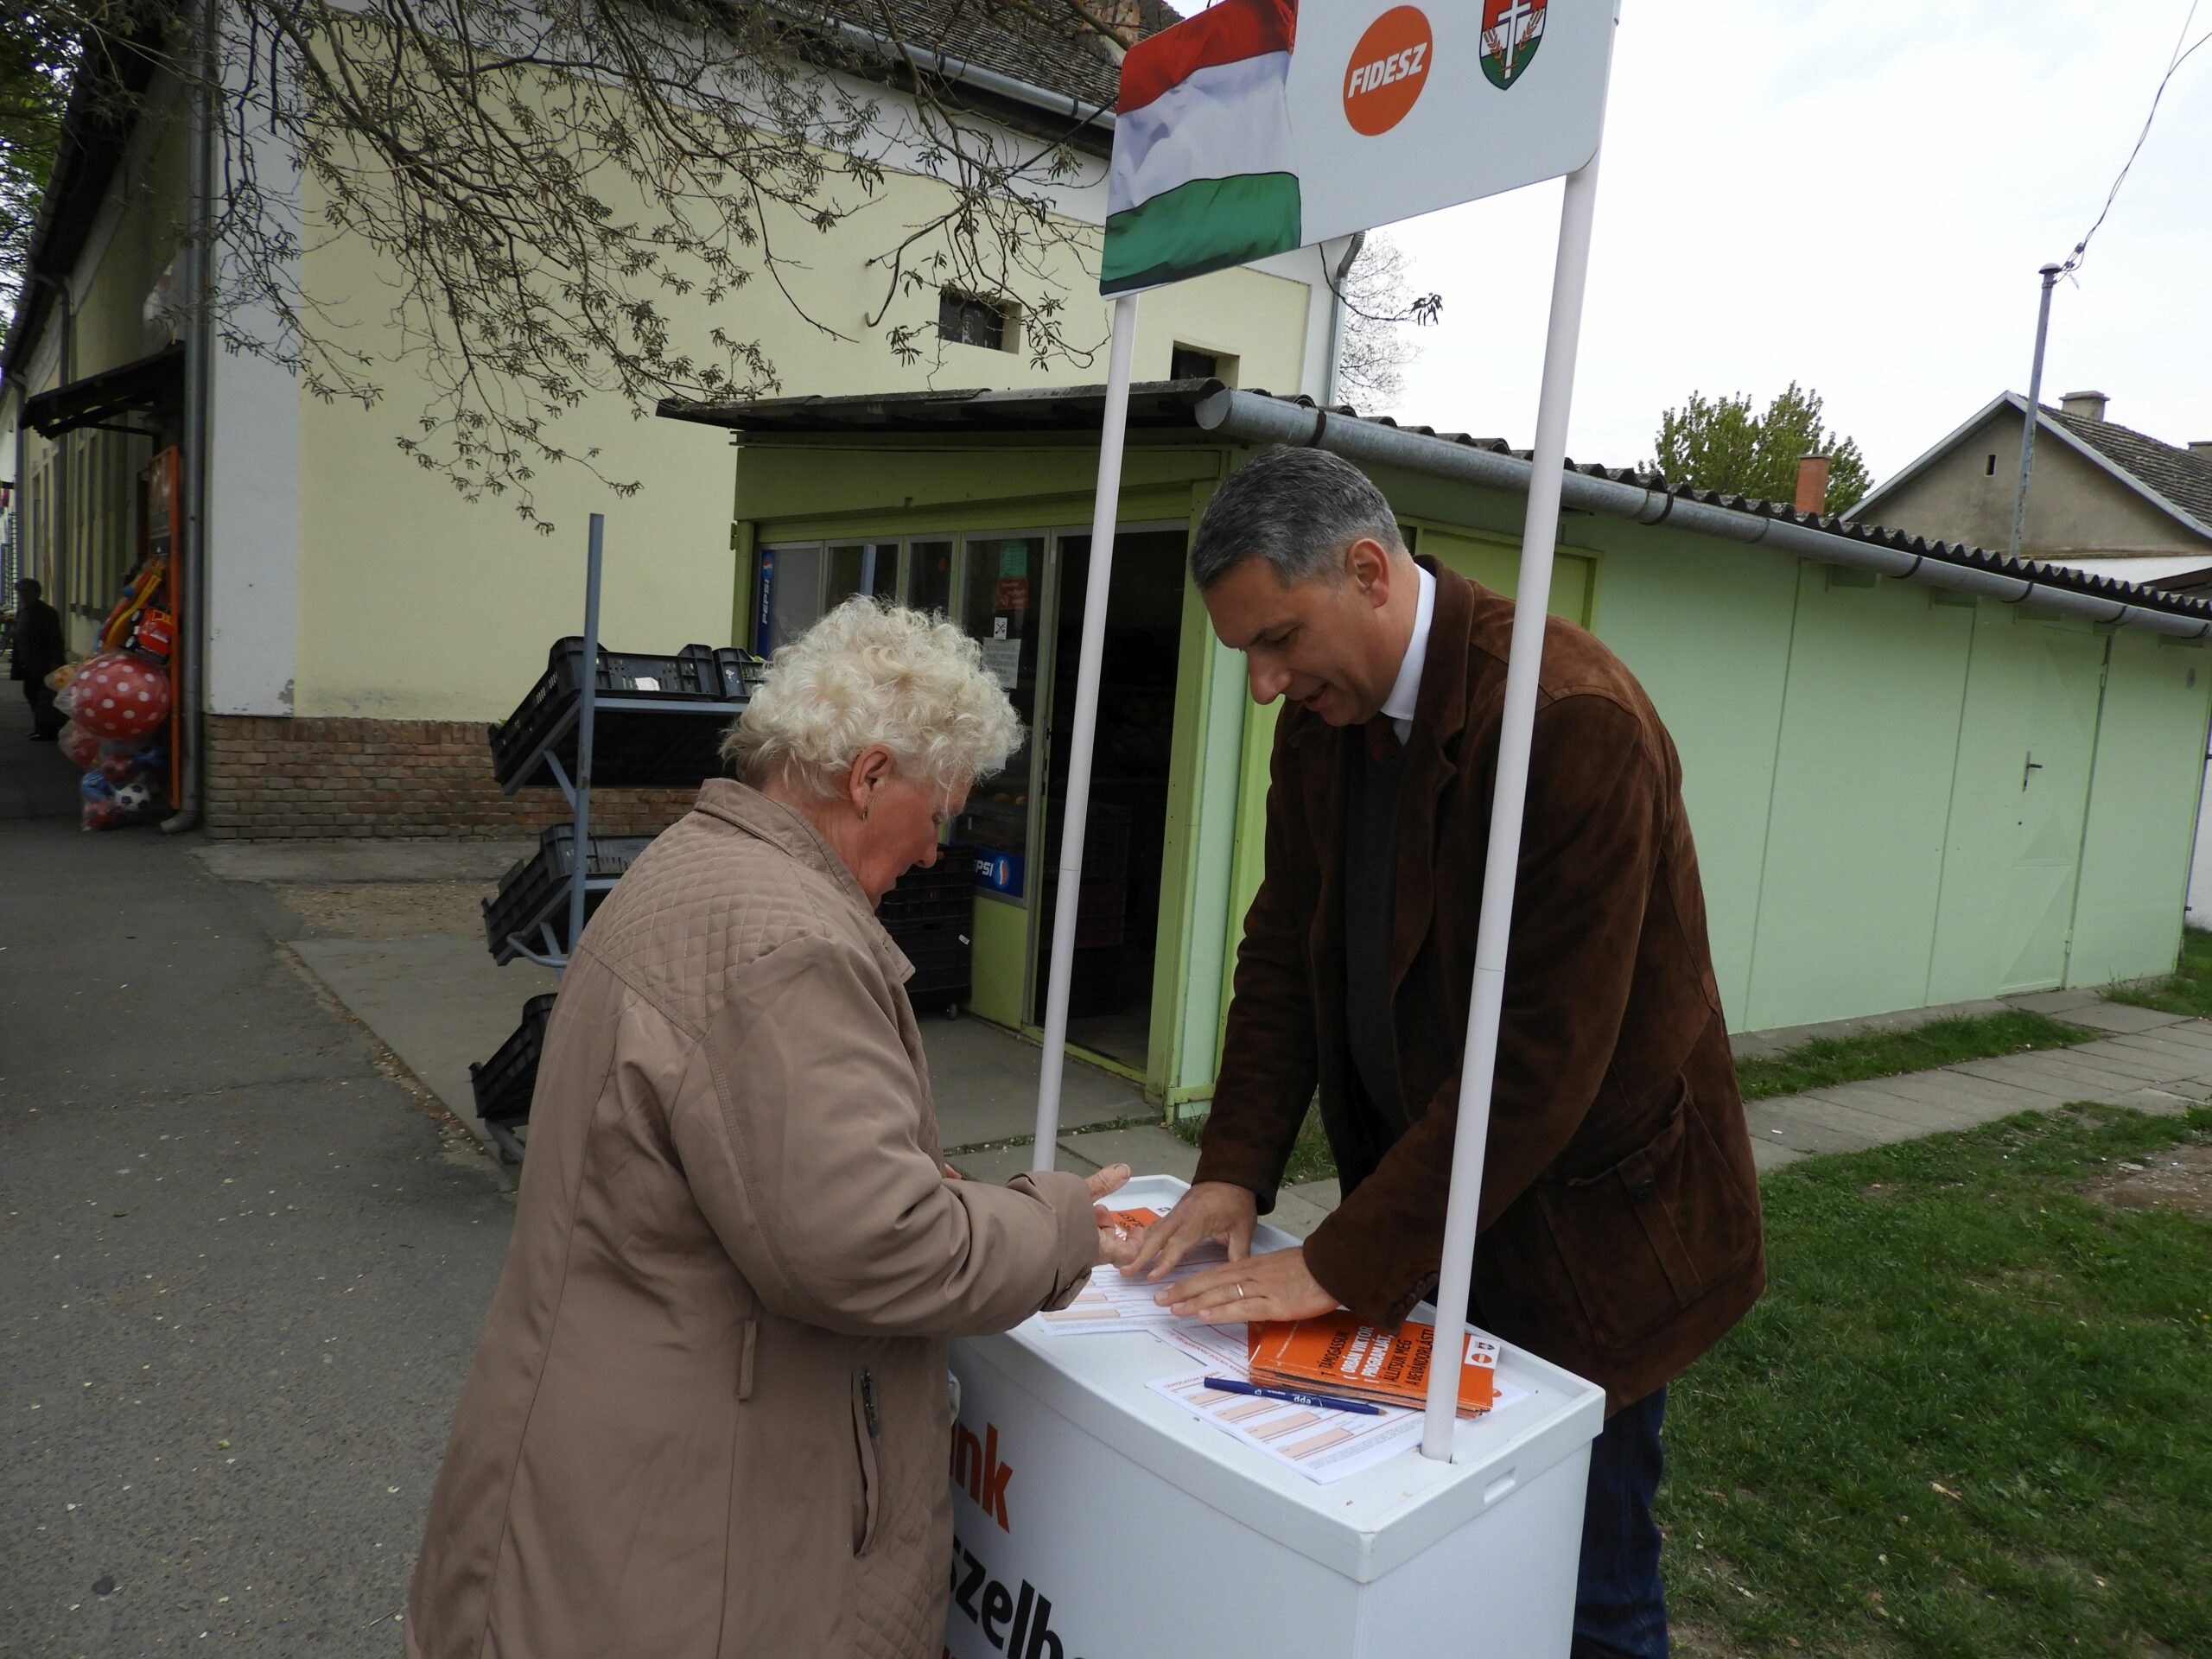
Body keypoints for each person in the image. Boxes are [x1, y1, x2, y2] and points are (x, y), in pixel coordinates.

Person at [407, 600, 1135, 1659]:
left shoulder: (692, 865)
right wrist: (1055, 1225)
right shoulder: (787, 940)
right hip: (688, 1527)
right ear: (870, 776)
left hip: (605, 1461)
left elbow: (771, 1167)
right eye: (941, 812)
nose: (938, 851)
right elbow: (869, 1244)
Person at [1128, 447, 1764, 1659]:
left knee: (1589, 1582)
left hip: (1590, 1247)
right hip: (1441, 1220)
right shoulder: (1328, 717)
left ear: (1369, 571)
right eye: (1247, 656)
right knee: (1457, 1573)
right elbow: (1283, 953)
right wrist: (1234, 1168)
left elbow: (1545, 1060)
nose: (1263, 686)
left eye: (1276, 641)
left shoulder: (1571, 720)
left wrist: (1343, 1257)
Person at [10, 577, 67, 739]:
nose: (23, 595)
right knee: (31, 694)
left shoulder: (46, 613)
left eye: (26, 591)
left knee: (44, 697)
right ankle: (40, 727)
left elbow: (55, 639)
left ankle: (47, 729)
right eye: (20, 591)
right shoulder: (23, 611)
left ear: (36, 593)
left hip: (43, 662)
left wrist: (55, 662)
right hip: (28, 662)